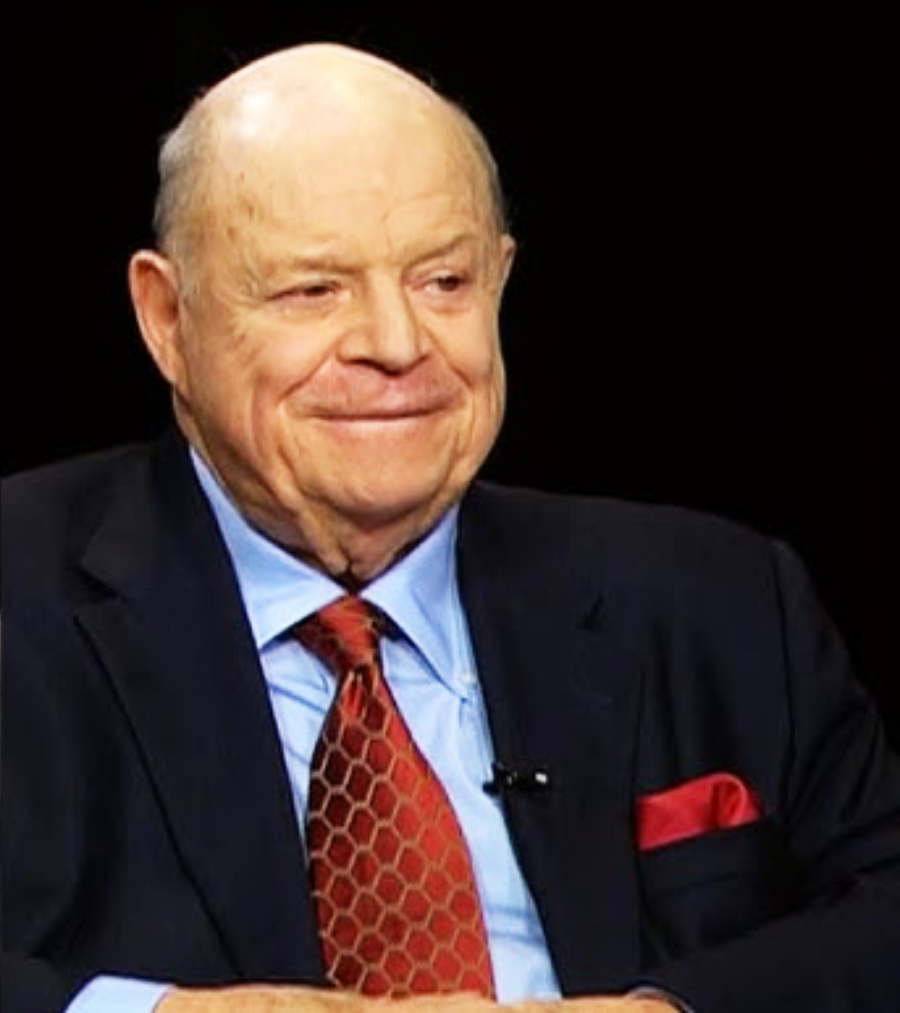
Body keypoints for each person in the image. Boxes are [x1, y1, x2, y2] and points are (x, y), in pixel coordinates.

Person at [1, 40, 898, 1013]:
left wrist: (665, 1012)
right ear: (168, 317)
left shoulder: (720, 597)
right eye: (315, 289)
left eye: (444, 282)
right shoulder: (19, 592)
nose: (396, 344)